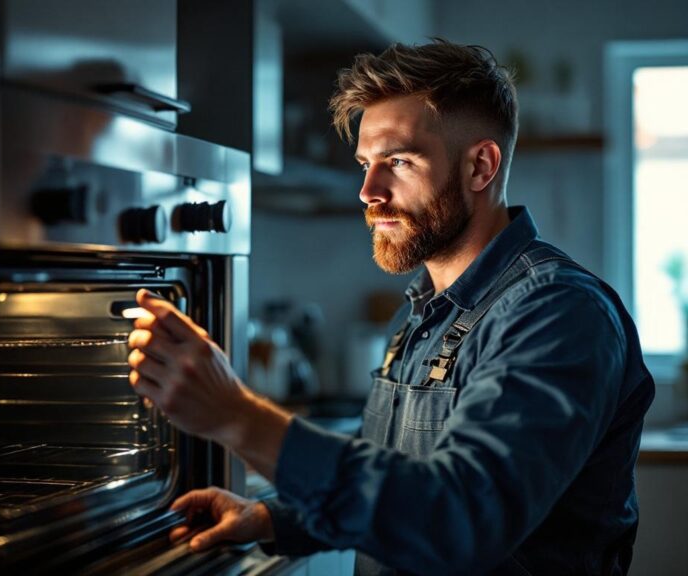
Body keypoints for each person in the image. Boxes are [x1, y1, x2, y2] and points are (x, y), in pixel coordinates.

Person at [127, 39, 654, 575]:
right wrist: (273, 517)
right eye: (364, 163)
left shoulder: (556, 312)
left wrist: (237, 416)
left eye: (398, 161)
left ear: (480, 167)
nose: (367, 191)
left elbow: (461, 518)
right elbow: (399, 479)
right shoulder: (422, 312)